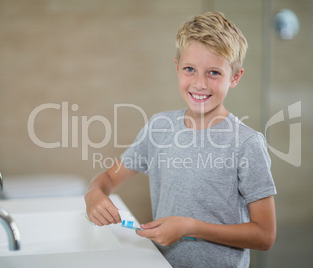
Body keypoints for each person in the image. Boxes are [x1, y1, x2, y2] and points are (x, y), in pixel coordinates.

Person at [85, 11, 276, 268]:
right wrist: (93, 195)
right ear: (177, 67)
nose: (199, 84)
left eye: (214, 73)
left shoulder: (246, 143)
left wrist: (191, 227)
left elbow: (264, 235)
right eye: (190, 69)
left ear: (236, 77)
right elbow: (107, 179)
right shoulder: (159, 128)